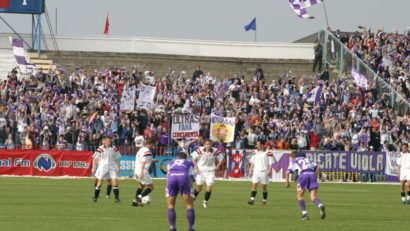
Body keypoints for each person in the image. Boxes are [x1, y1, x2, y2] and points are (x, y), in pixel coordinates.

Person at [285, 151, 326, 220]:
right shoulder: (307, 159)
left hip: (303, 175)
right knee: (313, 197)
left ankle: (305, 214)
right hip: (312, 174)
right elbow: (318, 167)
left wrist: (287, 183)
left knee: (299, 196)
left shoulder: (293, 161)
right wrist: (316, 175)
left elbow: (287, 172)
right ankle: (320, 205)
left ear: (292, 157)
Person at [165, 152, 196, 231]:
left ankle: (172, 227)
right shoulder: (189, 163)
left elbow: (168, 173)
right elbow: (191, 177)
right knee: (189, 204)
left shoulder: (171, 162)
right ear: (185, 158)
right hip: (183, 176)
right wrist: (190, 189)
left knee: (170, 204)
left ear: (177, 158)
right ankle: (191, 228)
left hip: (171, 177)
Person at [191, 139, 224, 208]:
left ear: (211, 145)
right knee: (199, 188)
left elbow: (221, 159)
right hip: (201, 171)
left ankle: (205, 202)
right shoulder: (200, 150)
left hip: (210, 171)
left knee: (209, 187)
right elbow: (193, 158)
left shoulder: (215, 151)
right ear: (204, 145)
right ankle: (194, 197)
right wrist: (196, 167)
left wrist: (217, 166)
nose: (208, 145)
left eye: (209, 144)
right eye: (207, 144)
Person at [91, 136, 121, 203]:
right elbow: (95, 158)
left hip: (112, 167)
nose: (108, 142)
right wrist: (93, 167)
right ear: (104, 141)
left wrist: (118, 167)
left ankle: (117, 198)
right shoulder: (100, 149)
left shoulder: (114, 148)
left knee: (115, 182)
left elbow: (117, 158)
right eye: (107, 141)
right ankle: (95, 198)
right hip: (103, 167)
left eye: (110, 141)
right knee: (99, 183)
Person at [247, 140, 274, 206]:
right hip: (256, 171)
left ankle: (264, 201)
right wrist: (250, 170)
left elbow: (270, 163)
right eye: (257, 144)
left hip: (264, 171)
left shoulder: (268, 153)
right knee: (254, 185)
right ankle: (252, 200)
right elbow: (253, 162)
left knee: (264, 187)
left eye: (258, 144)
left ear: (262, 145)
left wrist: (269, 170)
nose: (257, 146)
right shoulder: (255, 152)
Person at [132, 139, 155, 206]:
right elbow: (143, 162)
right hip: (143, 170)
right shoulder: (147, 151)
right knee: (151, 187)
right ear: (150, 144)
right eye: (153, 145)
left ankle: (135, 203)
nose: (153, 146)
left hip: (136, 170)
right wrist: (142, 172)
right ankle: (139, 198)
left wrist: (153, 160)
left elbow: (143, 159)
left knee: (141, 185)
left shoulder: (141, 150)